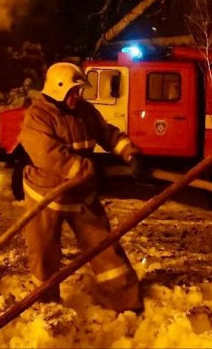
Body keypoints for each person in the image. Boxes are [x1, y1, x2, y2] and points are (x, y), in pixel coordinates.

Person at [18, 62, 150, 312]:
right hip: (46, 194)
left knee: (105, 249)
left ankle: (124, 301)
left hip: (81, 195)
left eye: (79, 91)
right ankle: (45, 306)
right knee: (43, 254)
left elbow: (107, 133)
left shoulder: (85, 111)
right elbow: (50, 157)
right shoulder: (37, 117)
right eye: (73, 92)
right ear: (57, 90)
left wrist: (130, 154)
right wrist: (90, 170)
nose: (78, 96)